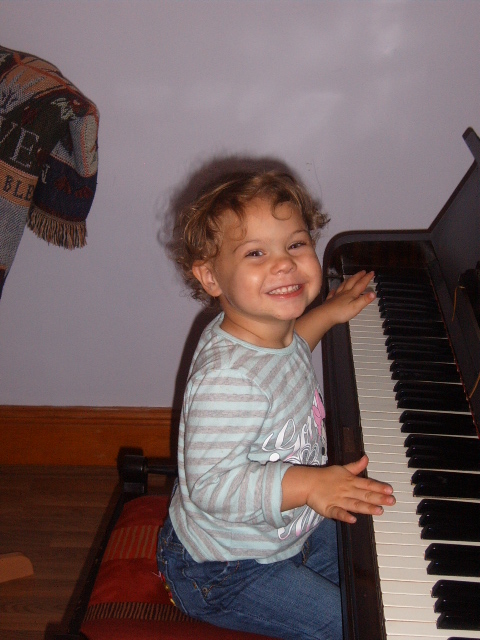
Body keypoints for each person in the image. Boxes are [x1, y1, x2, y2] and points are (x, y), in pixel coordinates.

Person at [157, 169, 395, 640]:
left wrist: (327, 313)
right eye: (255, 253)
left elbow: (292, 349)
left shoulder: (267, 332)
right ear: (210, 276)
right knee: (359, 626)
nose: (284, 264)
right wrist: (309, 484)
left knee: (383, 554)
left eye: (295, 244)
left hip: (288, 531)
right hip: (226, 569)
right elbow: (211, 486)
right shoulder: (228, 379)